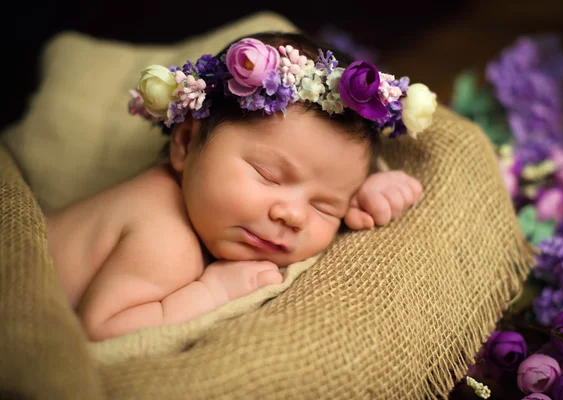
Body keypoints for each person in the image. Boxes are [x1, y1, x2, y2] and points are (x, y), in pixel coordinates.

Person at [45, 32, 437, 342]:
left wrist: (363, 198)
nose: (294, 215)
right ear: (184, 143)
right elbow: (100, 330)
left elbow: (326, 176)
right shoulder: (164, 237)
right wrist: (210, 293)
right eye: (268, 176)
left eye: (325, 206)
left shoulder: (208, 212)